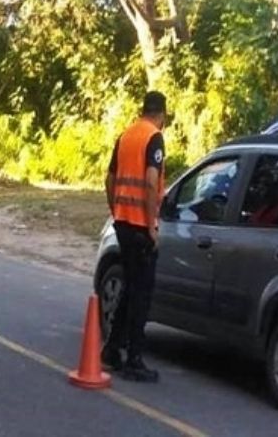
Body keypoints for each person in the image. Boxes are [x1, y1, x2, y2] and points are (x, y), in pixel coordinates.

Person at [102, 91, 167, 383]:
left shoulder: (126, 135)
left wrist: (115, 208)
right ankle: (135, 359)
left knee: (129, 288)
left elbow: (109, 178)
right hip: (141, 227)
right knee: (142, 294)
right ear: (161, 115)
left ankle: (112, 350)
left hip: (123, 222)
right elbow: (152, 182)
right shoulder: (154, 138)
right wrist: (152, 225)